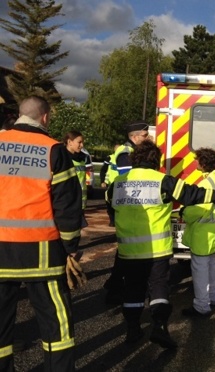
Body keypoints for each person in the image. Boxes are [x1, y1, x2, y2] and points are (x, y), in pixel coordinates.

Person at [106, 140, 215, 349]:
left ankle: (132, 329)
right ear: (156, 160)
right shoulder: (162, 181)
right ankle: (160, 328)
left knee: (133, 291)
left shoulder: (117, 184)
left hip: (128, 251)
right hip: (157, 251)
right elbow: (192, 194)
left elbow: (110, 210)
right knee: (159, 290)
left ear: (134, 159)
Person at [0, 96, 82, 371]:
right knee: (56, 324)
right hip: (43, 254)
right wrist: (71, 248)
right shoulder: (53, 150)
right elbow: (67, 207)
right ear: (45, 118)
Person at [103, 122, 151, 303]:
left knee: (127, 245)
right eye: (145, 135)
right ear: (134, 137)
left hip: (124, 202)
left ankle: (115, 284)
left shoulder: (131, 151)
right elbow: (130, 179)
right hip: (122, 202)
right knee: (126, 246)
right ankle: (115, 286)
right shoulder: (125, 152)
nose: (147, 138)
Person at [181, 148, 215, 317]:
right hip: (213, 232)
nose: (195, 163)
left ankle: (201, 306)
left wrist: (183, 213)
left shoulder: (206, 184)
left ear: (202, 163)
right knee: (210, 267)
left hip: (202, 234)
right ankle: (213, 297)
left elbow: (197, 210)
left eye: (197, 160)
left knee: (200, 270)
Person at [63, 130, 89, 228]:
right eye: (79, 142)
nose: (82, 145)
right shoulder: (62, 157)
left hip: (80, 202)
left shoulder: (82, 158)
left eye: (82, 142)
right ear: (69, 142)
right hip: (67, 202)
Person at [99, 143, 120, 226]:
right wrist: (102, 181)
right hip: (110, 184)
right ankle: (112, 220)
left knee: (119, 204)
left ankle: (118, 220)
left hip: (121, 185)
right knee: (109, 203)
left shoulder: (125, 159)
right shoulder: (109, 158)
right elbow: (103, 170)